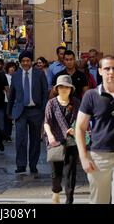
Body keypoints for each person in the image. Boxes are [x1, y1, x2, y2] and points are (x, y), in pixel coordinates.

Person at [76, 55, 114, 204]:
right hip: (98, 157)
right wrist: (83, 157)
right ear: (100, 71)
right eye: (107, 68)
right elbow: (80, 127)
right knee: (99, 201)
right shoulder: (91, 95)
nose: (111, 71)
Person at [8, 51, 48, 175]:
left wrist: (43, 109)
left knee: (35, 140)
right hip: (21, 111)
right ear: (20, 63)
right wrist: (9, 111)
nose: (25, 63)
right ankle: (21, 164)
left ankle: (33, 164)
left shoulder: (39, 74)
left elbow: (45, 92)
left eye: (28, 61)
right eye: (23, 61)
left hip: (35, 110)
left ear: (31, 61)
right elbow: (12, 95)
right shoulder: (16, 75)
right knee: (20, 139)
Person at [44, 75, 80, 204]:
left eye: (67, 87)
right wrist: (50, 135)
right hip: (56, 142)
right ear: (57, 88)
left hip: (72, 142)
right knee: (56, 173)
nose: (64, 89)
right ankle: (56, 191)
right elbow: (46, 122)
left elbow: (80, 121)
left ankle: (69, 199)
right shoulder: (51, 103)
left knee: (71, 172)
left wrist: (75, 130)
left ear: (71, 89)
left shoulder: (76, 102)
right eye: (61, 87)